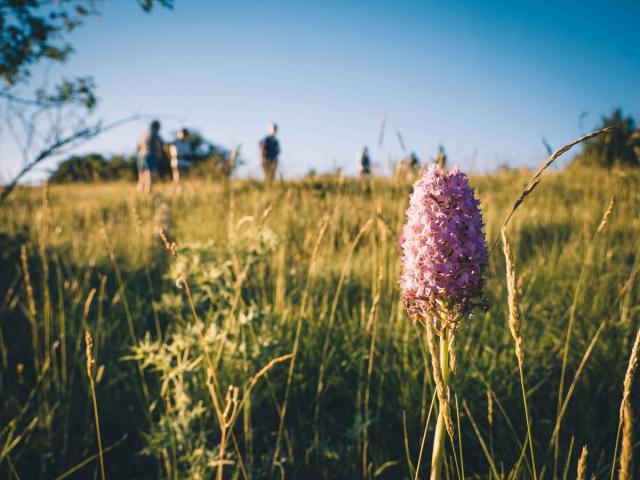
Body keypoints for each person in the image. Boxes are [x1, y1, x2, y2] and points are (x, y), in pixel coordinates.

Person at [137, 120, 163, 193]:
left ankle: (139, 195)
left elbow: (138, 147)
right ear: (156, 127)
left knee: (141, 177)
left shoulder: (142, 135)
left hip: (141, 156)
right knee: (150, 176)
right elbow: (162, 144)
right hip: (150, 156)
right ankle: (148, 193)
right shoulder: (155, 135)